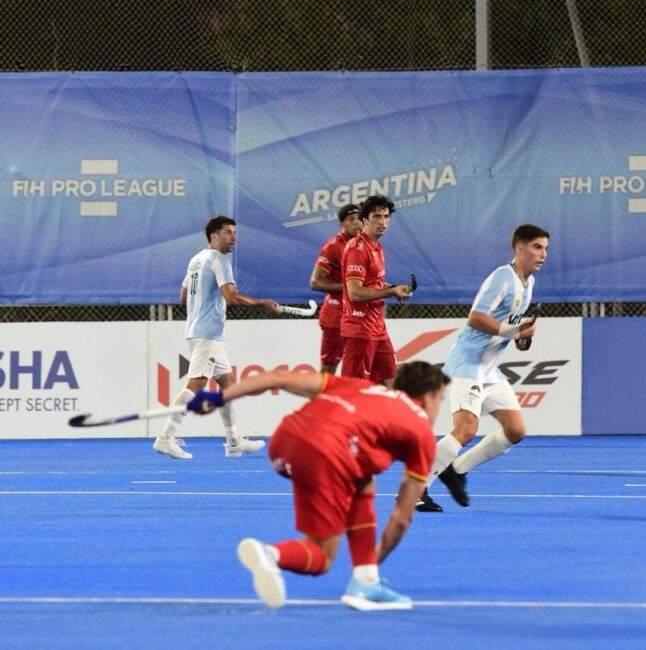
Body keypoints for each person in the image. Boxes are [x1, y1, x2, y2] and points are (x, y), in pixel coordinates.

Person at [186, 361, 448, 610]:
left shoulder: (361, 387)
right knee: (321, 556)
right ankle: (271, 555)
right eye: (440, 401)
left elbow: (278, 378)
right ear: (427, 398)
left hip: (283, 442)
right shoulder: (421, 431)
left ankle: (365, 580)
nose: (438, 409)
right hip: (325, 454)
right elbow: (401, 517)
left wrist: (221, 398)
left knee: (363, 479)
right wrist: (377, 558)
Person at [418, 224, 548, 513]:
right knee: (465, 428)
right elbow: (475, 318)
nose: (543, 254)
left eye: (546, 248)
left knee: (515, 430)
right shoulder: (502, 277)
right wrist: (515, 332)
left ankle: (457, 470)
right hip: (467, 363)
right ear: (519, 249)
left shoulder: (529, 285)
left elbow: (508, 330)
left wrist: (521, 335)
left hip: (489, 368)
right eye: (537, 247)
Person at [153, 215, 279, 460]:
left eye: (235, 232)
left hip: (198, 331)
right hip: (207, 333)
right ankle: (165, 437)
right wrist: (261, 302)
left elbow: (183, 296)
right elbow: (232, 297)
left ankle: (234, 442)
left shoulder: (196, 259)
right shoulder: (220, 260)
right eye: (228, 232)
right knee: (196, 385)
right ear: (214, 235)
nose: (233, 237)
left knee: (228, 387)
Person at [339, 195, 412, 383]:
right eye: (377, 217)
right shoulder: (358, 248)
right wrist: (389, 292)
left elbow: (374, 283)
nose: (383, 222)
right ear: (365, 220)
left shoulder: (376, 246)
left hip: (378, 329)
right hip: (360, 330)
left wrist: (394, 288)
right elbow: (355, 293)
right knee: (353, 390)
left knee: (390, 380)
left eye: (386, 216)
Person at [309, 204, 363, 374]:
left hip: (357, 316)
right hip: (336, 318)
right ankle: (322, 400)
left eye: (359, 219)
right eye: (351, 219)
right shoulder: (333, 247)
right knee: (329, 367)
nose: (357, 223)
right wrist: (348, 287)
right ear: (342, 224)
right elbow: (315, 283)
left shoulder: (364, 245)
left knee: (358, 366)